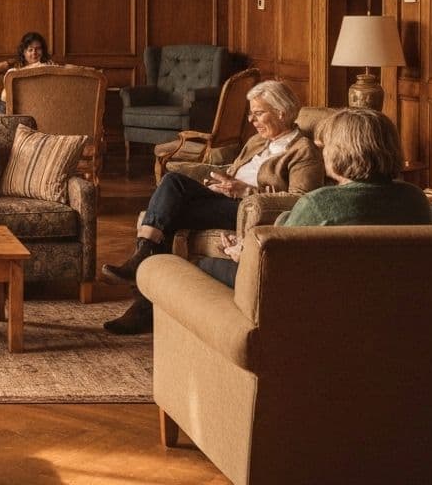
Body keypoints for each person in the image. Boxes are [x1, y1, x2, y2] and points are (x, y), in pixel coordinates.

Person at [101, 79, 325, 334]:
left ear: (281, 112)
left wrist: (247, 191)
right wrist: (220, 181)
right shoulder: (257, 142)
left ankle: (143, 285)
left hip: (248, 211)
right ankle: (144, 276)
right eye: (250, 113)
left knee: (169, 213)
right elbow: (231, 170)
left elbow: (301, 200)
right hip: (226, 199)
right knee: (173, 183)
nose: (252, 119)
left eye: (258, 113)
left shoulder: (302, 151)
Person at [196, 108, 431, 287]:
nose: (322, 151)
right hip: (390, 304)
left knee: (201, 267)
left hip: (313, 302)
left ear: (342, 152)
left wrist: (243, 256)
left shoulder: (320, 203)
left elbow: (276, 268)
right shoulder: (415, 199)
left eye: (326, 145)